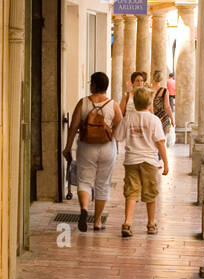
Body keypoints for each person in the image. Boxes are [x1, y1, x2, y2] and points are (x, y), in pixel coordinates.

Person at [63, 71, 122, 232]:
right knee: (103, 184)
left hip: (86, 145)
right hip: (107, 147)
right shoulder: (113, 105)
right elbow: (119, 124)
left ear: (94, 85)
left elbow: (73, 127)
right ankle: (97, 222)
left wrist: (68, 148)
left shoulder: (83, 103)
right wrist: (111, 134)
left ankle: (84, 209)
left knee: (85, 181)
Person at [116, 86, 169, 237]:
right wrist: (166, 162)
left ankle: (127, 223)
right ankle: (151, 223)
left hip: (131, 160)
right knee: (150, 193)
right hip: (149, 161)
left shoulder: (128, 118)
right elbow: (160, 143)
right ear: (150, 102)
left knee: (131, 192)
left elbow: (119, 137)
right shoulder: (154, 120)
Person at [150, 69, 173, 138]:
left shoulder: (148, 90)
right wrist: (172, 118)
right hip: (162, 118)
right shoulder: (164, 91)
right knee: (162, 138)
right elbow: (167, 106)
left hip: (151, 116)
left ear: (153, 78)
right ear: (161, 79)